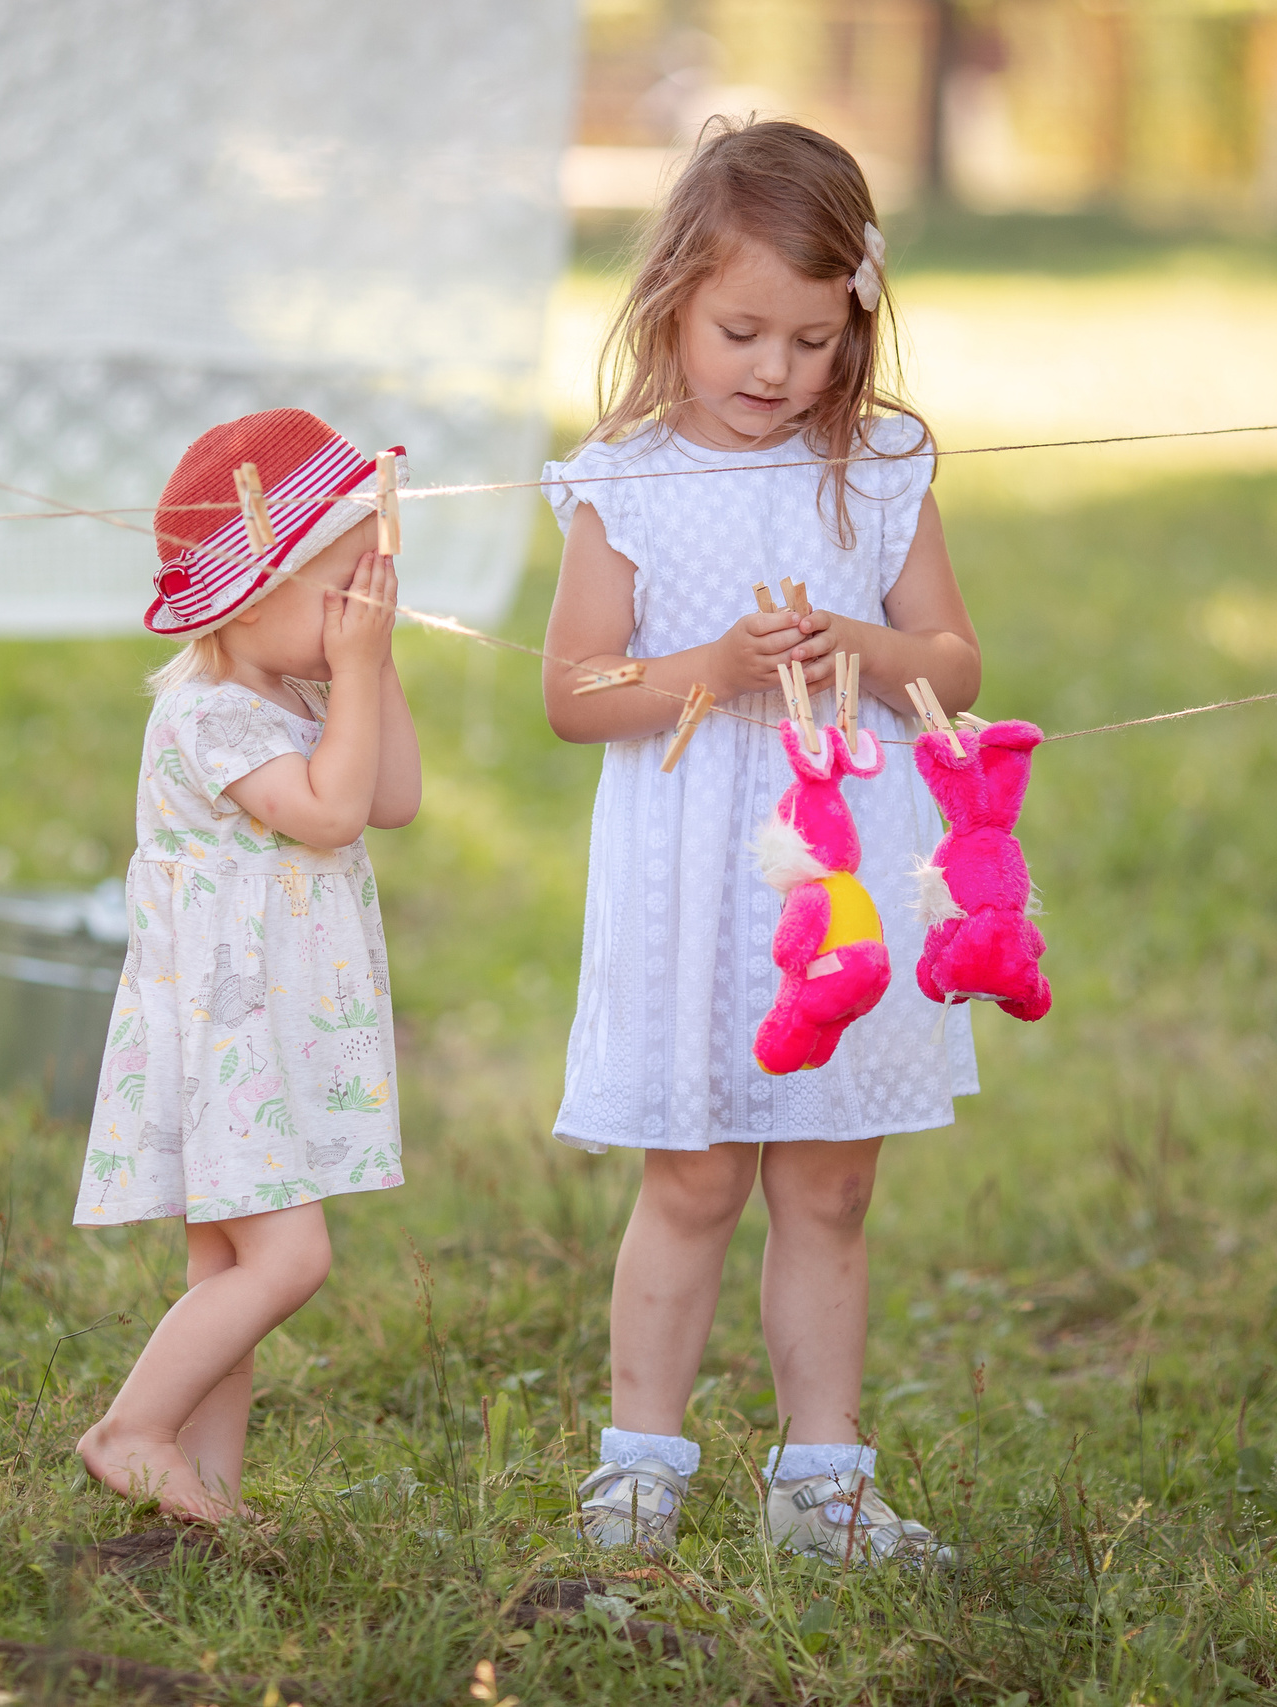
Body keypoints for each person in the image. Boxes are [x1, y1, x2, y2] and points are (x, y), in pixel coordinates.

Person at [540, 118, 980, 1564]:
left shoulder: (883, 462)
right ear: (671, 297)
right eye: (741, 330)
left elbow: (953, 669)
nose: (775, 371)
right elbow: (573, 691)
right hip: (692, 876)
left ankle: (822, 1480)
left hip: (840, 875)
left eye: (810, 338)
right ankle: (641, 1464)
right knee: (697, 1172)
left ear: (854, 323)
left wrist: (854, 642)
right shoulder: (628, 476)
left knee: (831, 1178)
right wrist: (716, 671)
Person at [75, 409, 420, 1521]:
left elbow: (393, 800)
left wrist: (373, 664)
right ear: (245, 592)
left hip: (267, 1028)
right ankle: (132, 1428)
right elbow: (327, 815)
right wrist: (355, 675)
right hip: (228, 1032)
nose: (356, 611)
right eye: (340, 587)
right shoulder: (211, 715)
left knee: (225, 1272)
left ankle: (205, 1491)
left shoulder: (307, 693)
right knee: (287, 1262)